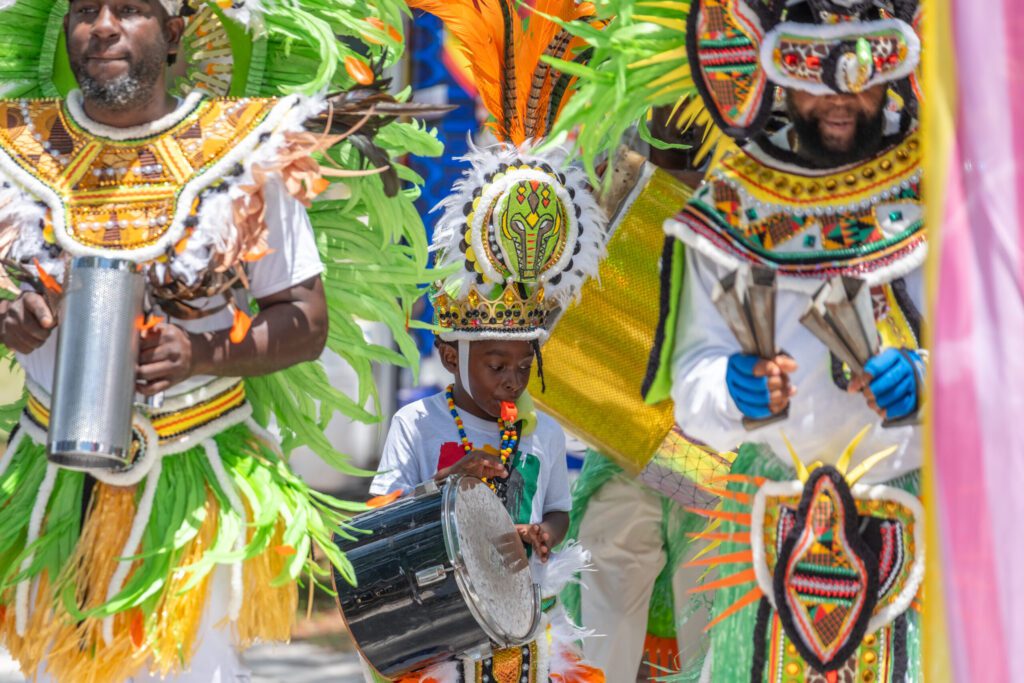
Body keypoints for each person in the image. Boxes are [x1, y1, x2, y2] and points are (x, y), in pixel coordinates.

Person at [0, 0, 438, 680]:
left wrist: (203, 352)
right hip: (44, 484)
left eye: (132, 10)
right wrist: (10, 317)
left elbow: (305, 319)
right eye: (86, 9)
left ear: (174, 32)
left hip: (191, 489)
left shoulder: (245, 149)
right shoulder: (14, 145)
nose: (105, 26)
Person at [548, 0, 927, 679]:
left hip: (818, 485)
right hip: (647, 431)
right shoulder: (645, 155)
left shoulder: (903, 176)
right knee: (613, 558)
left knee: (725, 629)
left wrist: (925, 376)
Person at [359, 3, 609, 680]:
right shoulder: (418, 422)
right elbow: (378, 520)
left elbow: (557, 506)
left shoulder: (542, 429)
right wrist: (448, 482)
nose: (510, 376)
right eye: (495, 361)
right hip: (441, 631)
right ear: (448, 354)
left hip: (528, 631)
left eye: (522, 362)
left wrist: (540, 536)